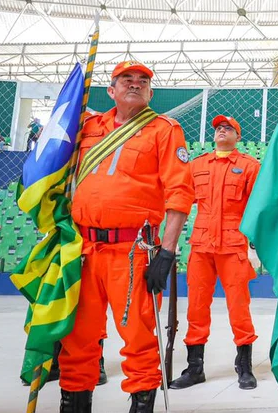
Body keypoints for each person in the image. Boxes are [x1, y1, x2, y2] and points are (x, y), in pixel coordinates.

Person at [58, 61, 194, 413]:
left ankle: (142, 404)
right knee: (76, 337)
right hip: (82, 248)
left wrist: (167, 251)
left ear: (151, 92)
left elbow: (180, 193)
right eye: (126, 80)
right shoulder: (87, 127)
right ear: (111, 90)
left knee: (137, 336)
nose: (135, 84)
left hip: (133, 251)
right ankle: (74, 402)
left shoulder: (163, 130)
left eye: (143, 81)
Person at [169, 115, 262, 391]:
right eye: (218, 128)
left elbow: (257, 208)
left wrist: (255, 244)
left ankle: (244, 366)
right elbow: (182, 200)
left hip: (233, 246)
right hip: (200, 246)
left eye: (228, 128)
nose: (222, 131)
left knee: (239, 307)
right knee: (196, 307)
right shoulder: (197, 165)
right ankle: (194, 367)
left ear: (237, 135)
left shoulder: (249, 166)